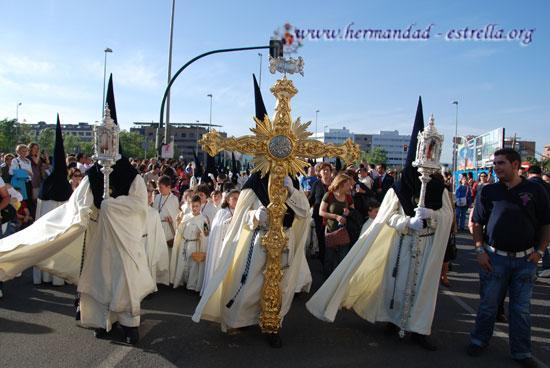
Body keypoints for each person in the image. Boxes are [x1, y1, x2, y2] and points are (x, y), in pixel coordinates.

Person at [306, 100, 453, 352]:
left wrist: (432, 216)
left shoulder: (438, 189)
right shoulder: (399, 188)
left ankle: (418, 328)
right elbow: (386, 216)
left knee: (422, 287)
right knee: (396, 282)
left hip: (426, 243)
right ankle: (392, 320)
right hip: (402, 241)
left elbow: (447, 217)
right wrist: (408, 221)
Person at [192, 75, 312, 348]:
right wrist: (256, 217)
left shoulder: (289, 181)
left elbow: (304, 212)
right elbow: (242, 218)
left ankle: (272, 325)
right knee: (250, 286)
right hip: (259, 242)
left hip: (285, 241)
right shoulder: (253, 185)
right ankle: (240, 320)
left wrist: (290, 191)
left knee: (278, 286)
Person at [467, 149, 550, 367]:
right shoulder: (488, 191)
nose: (496, 167)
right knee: (488, 305)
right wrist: (479, 250)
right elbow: (476, 223)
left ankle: (521, 352)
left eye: (501, 163)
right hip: (494, 258)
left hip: (525, 262)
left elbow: (546, 224)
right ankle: (478, 340)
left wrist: (540, 252)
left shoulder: (536, 190)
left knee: (521, 310)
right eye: (494, 163)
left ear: (515, 165)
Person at [201, 189, 240, 295]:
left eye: (238, 198)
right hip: (220, 247)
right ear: (227, 200)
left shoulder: (239, 212)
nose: (237, 200)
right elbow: (217, 229)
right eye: (234, 198)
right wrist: (228, 222)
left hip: (232, 246)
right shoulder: (222, 212)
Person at [170, 195, 209, 291]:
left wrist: (202, 234)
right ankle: (180, 281)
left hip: (195, 244)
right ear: (190, 206)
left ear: (200, 206)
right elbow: (179, 230)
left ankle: (191, 285)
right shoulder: (186, 217)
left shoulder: (203, 219)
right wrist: (178, 223)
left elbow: (207, 233)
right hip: (184, 243)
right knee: (182, 263)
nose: (195, 208)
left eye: (197, 206)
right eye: (193, 206)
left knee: (193, 265)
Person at [319, 173, 354, 278]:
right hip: (331, 231)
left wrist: (349, 213)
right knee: (329, 259)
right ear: (341, 184)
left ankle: (339, 281)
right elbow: (321, 212)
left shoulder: (348, 197)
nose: (350, 187)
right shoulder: (329, 195)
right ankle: (327, 282)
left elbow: (353, 212)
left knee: (343, 258)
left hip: (343, 232)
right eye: (348, 184)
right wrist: (336, 216)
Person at [526, 165, 550, 278]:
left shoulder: (526, 186)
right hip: (547, 220)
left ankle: (532, 271)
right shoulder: (547, 185)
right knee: (545, 244)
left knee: (531, 246)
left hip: (532, 221)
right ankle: (547, 267)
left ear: (528, 174)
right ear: (540, 174)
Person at [309, 162, 333, 265]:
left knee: (331, 238)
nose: (326, 172)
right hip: (319, 216)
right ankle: (323, 261)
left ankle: (330, 259)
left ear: (331, 172)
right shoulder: (316, 184)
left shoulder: (335, 183)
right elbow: (311, 199)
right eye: (324, 170)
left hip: (332, 216)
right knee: (321, 239)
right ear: (319, 172)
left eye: (328, 170)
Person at [154, 175, 179, 249]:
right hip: (158, 229)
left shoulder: (174, 199)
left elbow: (177, 217)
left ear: (168, 187)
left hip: (169, 231)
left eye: (161, 187)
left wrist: (172, 220)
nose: (159, 189)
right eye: (158, 187)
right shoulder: (157, 197)